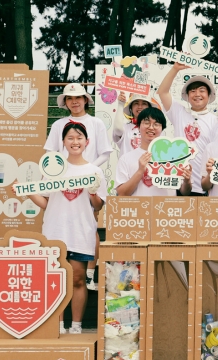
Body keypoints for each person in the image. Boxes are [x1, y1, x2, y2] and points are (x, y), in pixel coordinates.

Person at [21, 121, 107, 334]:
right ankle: (57, 324)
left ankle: (76, 325)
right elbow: (46, 202)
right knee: (55, 278)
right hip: (55, 231)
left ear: (87, 142)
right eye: (70, 138)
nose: (75, 142)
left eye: (79, 138)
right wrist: (28, 191)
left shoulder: (94, 171)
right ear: (63, 142)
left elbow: (98, 205)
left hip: (81, 231)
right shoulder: (52, 167)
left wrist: (94, 192)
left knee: (78, 279)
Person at [45, 83, 112, 291]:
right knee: (57, 218)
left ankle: (89, 273)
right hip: (61, 181)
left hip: (88, 183)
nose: (74, 101)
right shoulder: (58, 125)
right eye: (69, 98)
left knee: (89, 224)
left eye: (78, 97)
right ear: (65, 102)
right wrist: (59, 172)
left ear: (86, 100)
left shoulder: (96, 123)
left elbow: (105, 152)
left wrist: (87, 173)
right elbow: (50, 153)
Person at [157, 63, 218, 196]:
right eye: (192, 91)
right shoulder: (179, 112)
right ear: (187, 96)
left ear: (209, 95)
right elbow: (162, 92)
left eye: (201, 90)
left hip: (204, 187)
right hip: (179, 184)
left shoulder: (217, 122)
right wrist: (175, 68)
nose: (197, 94)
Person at [115, 107, 191, 197]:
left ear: (162, 128)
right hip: (138, 209)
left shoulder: (175, 157)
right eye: (146, 123)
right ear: (138, 127)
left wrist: (187, 181)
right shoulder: (126, 158)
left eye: (156, 124)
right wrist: (140, 171)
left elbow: (185, 192)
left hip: (166, 209)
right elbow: (122, 194)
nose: (151, 127)